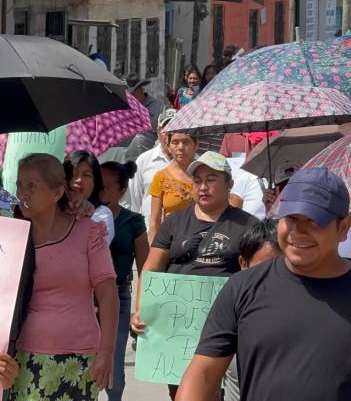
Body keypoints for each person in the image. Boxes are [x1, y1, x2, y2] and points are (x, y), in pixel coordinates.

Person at [175, 168, 351, 400]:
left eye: (314, 221)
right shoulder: (242, 287)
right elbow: (203, 375)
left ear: (344, 227)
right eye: (291, 218)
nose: (299, 231)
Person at [134, 151, 259, 399]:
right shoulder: (174, 223)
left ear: (229, 184)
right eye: (198, 180)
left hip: (227, 329)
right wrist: (140, 309)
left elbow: (257, 277)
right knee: (182, 393)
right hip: (176, 331)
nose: (203, 187)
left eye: (211, 179)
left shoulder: (249, 225)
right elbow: (151, 267)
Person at [9, 153, 118, 401]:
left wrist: (106, 353)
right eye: (19, 184)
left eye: (31, 186)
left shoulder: (88, 231)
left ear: (57, 193)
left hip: (79, 357)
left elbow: (108, 293)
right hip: (22, 356)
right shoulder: (12, 233)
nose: (22, 193)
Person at [99, 160, 149, 401]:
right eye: (98, 183)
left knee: (115, 360)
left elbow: (145, 267)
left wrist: (142, 309)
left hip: (118, 296)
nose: (101, 189)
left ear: (122, 191)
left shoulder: (133, 222)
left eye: (107, 186)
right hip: (84, 298)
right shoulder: (81, 215)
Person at [222, 220, 282, 401]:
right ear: (243, 263)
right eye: (263, 270)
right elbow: (202, 377)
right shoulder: (228, 312)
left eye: (282, 268)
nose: (273, 278)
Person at [148, 131, 199, 242]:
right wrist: (153, 251)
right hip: (171, 241)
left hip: (201, 240)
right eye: (175, 142)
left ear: (196, 146)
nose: (180, 147)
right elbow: (154, 222)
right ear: (168, 146)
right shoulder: (161, 177)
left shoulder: (205, 176)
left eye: (186, 142)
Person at [127, 109, 174, 222]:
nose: (170, 135)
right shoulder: (144, 160)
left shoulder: (192, 163)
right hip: (147, 232)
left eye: (175, 129)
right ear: (158, 131)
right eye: (166, 130)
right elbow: (133, 200)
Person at [65, 150, 116, 244]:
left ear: (95, 183)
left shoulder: (102, 214)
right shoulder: (52, 209)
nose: (79, 180)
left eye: (86, 175)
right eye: (73, 174)